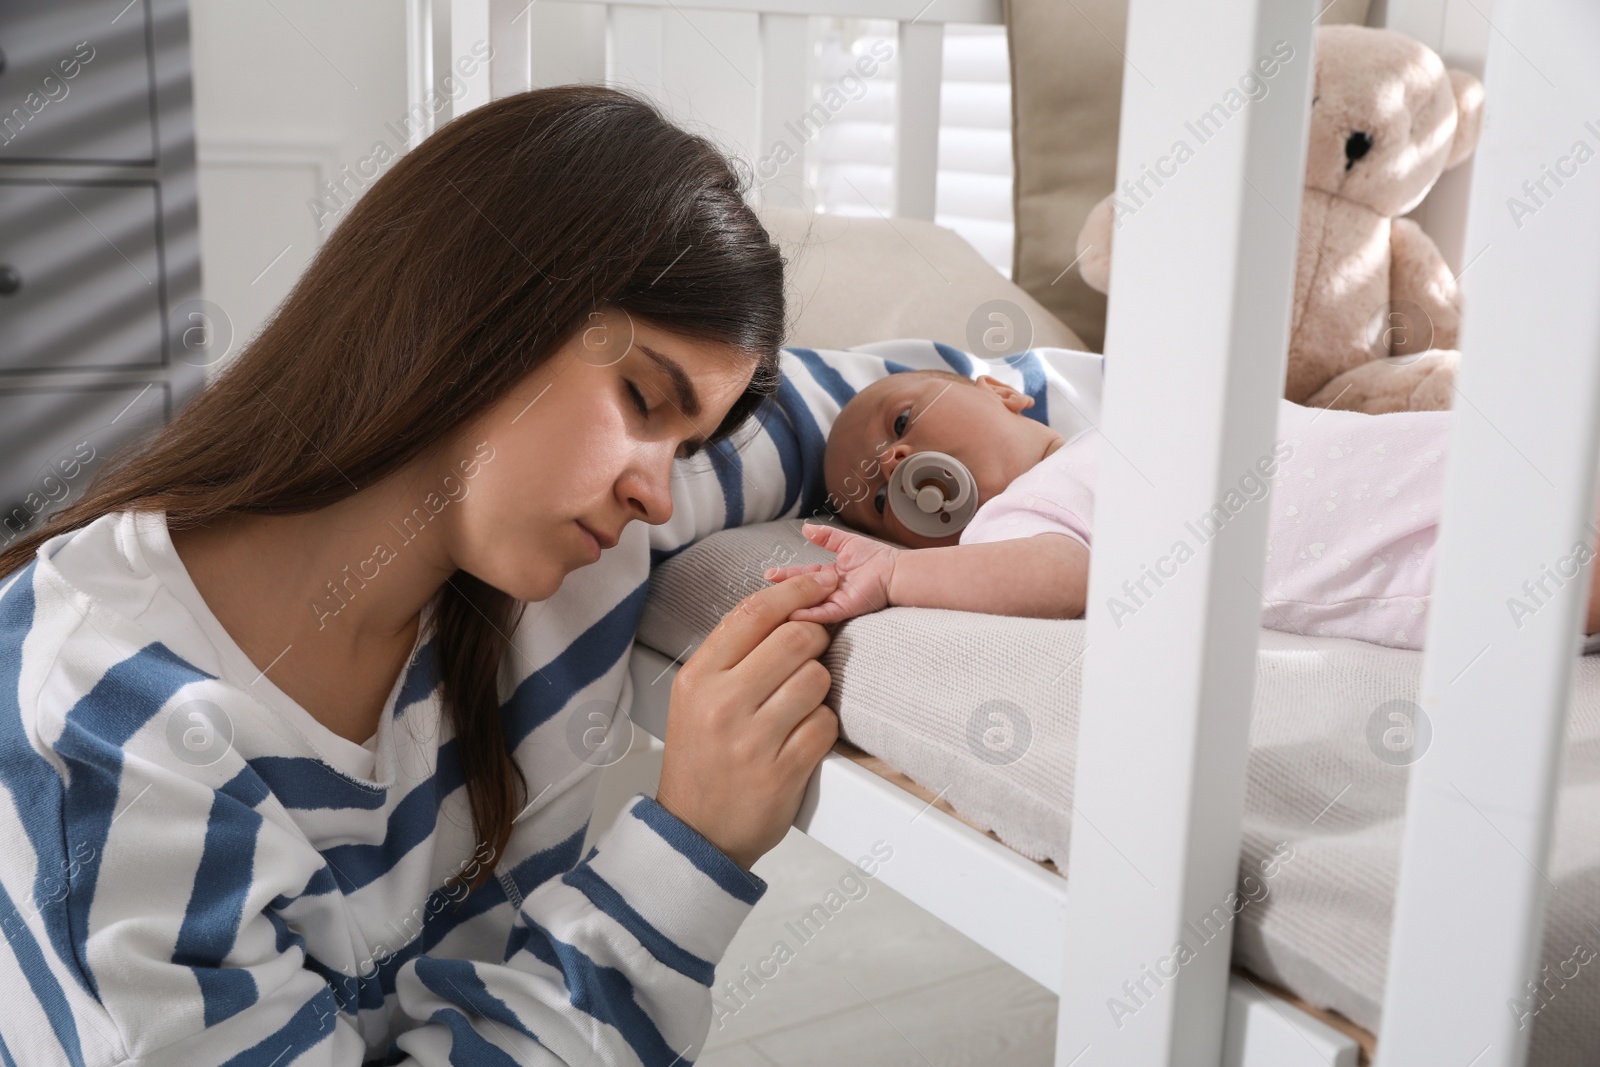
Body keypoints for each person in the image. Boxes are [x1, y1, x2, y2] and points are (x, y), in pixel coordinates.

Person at [0, 85, 843, 1065]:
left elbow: (920, 406)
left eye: (689, 442)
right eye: (641, 397)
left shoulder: (565, 518)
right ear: (479, 307)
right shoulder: (106, 738)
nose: (660, 491)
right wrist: (687, 859)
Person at [766, 368, 1600, 653]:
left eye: (902, 423)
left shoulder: (1120, 421)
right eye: (877, 496)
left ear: (1001, 390)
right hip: (1420, 549)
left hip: (1436, 452)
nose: (897, 463)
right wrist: (900, 574)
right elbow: (1062, 579)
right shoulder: (1014, 520)